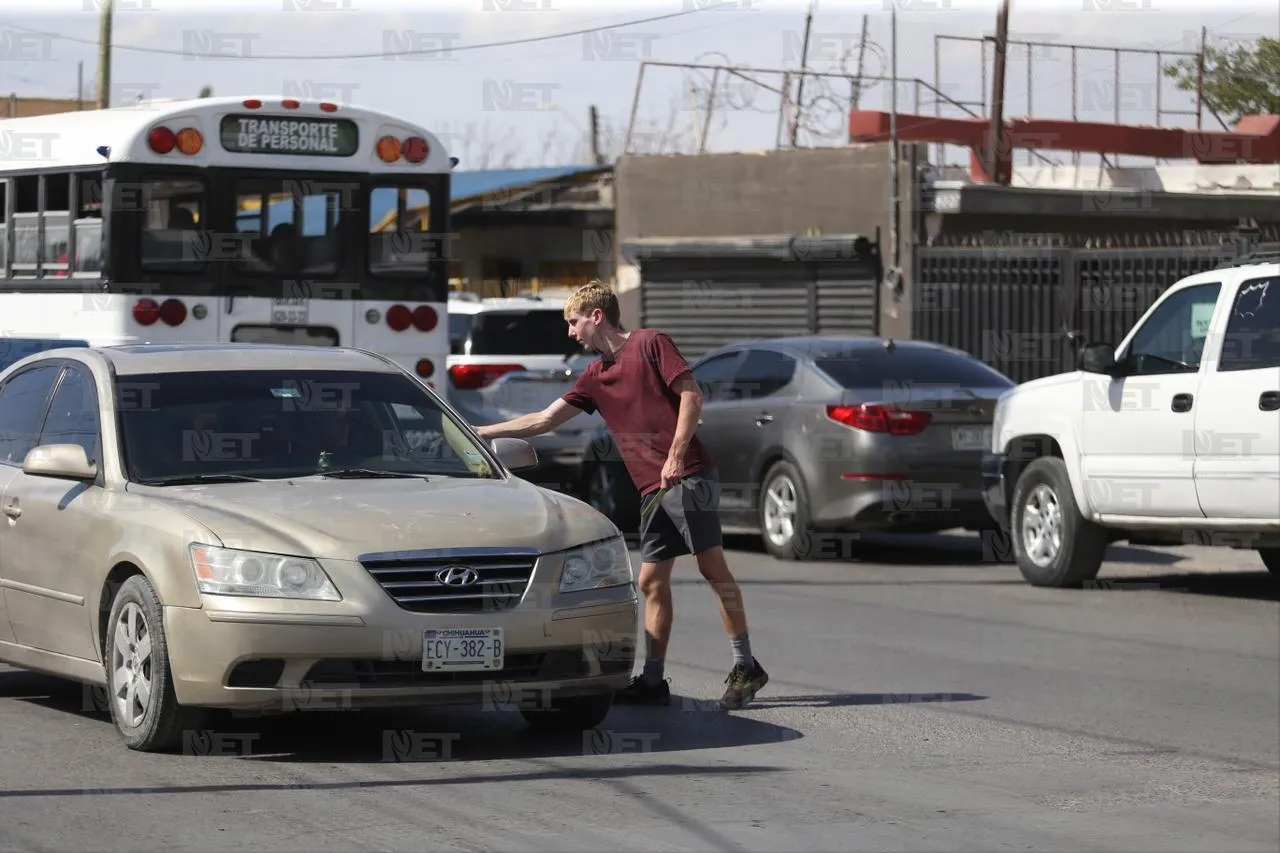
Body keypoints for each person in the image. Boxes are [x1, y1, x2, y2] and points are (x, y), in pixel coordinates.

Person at [476, 281, 769, 710]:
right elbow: (544, 419)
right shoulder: (596, 375)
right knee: (651, 581)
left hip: (687, 475)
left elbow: (691, 394)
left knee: (711, 568)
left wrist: (674, 455)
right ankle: (653, 680)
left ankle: (746, 664)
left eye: (574, 322)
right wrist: (480, 432)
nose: (571, 333)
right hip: (653, 488)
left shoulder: (651, 344)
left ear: (597, 316)